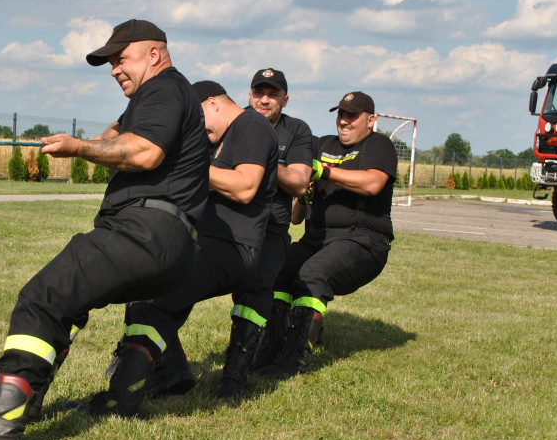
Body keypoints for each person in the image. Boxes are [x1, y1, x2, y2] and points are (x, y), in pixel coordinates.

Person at [0, 19, 210, 440]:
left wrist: (77, 148)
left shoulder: (164, 89)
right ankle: (34, 400)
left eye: (122, 58)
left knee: (45, 294)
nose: (115, 69)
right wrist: (97, 139)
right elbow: (121, 135)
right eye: (110, 63)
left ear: (154, 54)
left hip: (145, 231)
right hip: (173, 244)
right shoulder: (159, 97)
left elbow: (146, 151)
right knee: (70, 301)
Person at [75, 80, 278, 414]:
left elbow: (244, 186)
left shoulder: (250, 125)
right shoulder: (219, 135)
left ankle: (123, 398)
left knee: (152, 299)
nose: (197, 132)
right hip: (207, 241)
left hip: (233, 247)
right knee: (145, 286)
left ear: (212, 103)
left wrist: (189, 163)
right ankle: (171, 372)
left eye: (196, 120)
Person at [147, 68, 314, 399]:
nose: (264, 99)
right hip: (219, 225)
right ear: (248, 94)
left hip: (271, 229)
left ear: (285, 98)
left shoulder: (296, 131)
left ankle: (235, 376)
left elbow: (298, 181)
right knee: (171, 282)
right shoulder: (225, 125)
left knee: (256, 293)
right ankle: (164, 362)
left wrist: (258, 158)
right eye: (258, 92)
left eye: (272, 93)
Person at [256, 91, 396, 379]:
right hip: (316, 240)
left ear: (371, 120)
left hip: (364, 241)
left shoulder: (379, 145)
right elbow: (296, 219)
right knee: (277, 270)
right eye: (341, 114)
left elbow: (372, 184)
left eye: (352, 116)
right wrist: (303, 195)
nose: (344, 121)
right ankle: (270, 349)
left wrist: (324, 171)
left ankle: (295, 360)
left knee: (313, 274)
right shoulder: (321, 144)